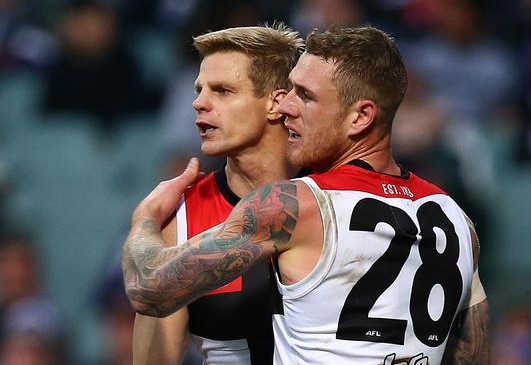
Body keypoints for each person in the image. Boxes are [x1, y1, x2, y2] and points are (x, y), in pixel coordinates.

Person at [122, 25, 489, 364]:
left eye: (223, 91)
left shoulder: (297, 207)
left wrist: (144, 221)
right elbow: (471, 352)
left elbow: (148, 287)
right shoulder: (456, 219)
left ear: (361, 117)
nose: (288, 106)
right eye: (198, 89)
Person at [130, 24, 304, 364]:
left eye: (222, 91)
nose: (198, 103)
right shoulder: (178, 216)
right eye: (199, 90)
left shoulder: (336, 197)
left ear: (276, 103)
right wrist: (146, 225)